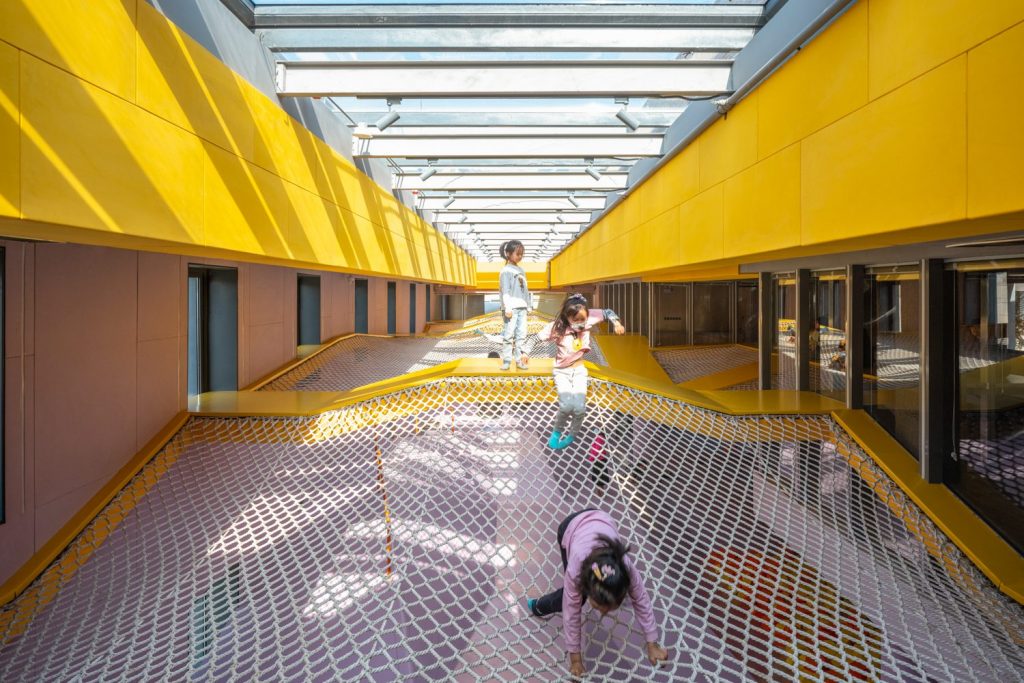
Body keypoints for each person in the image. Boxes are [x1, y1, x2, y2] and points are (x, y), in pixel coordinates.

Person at [525, 509, 668, 678]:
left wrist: (652, 642)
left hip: (600, 518)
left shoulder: (625, 567)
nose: (603, 613)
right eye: (600, 607)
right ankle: (539, 605)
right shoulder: (576, 568)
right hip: (570, 527)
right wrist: (576, 660)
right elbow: (571, 612)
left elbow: (641, 598)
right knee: (574, 598)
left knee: (579, 596)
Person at [537, 293, 624, 450]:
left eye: (582, 319)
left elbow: (608, 312)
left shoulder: (589, 318)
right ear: (567, 317)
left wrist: (616, 323)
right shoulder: (557, 326)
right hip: (562, 371)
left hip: (579, 370)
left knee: (579, 409)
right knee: (566, 406)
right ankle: (556, 433)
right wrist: (524, 352)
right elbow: (536, 338)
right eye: (575, 320)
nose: (580, 323)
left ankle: (571, 436)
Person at [499, 240, 531, 371]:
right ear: (508, 254)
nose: (520, 256)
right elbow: (505, 291)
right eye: (517, 254)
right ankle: (507, 361)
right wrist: (507, 307)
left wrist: (528, 305)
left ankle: (518, 361)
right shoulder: (505, 271)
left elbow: (525, 290)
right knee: (508, 335)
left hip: (522, 308)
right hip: (511, 308)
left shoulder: (521, 270)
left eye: (521, 254)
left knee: (521, 335)